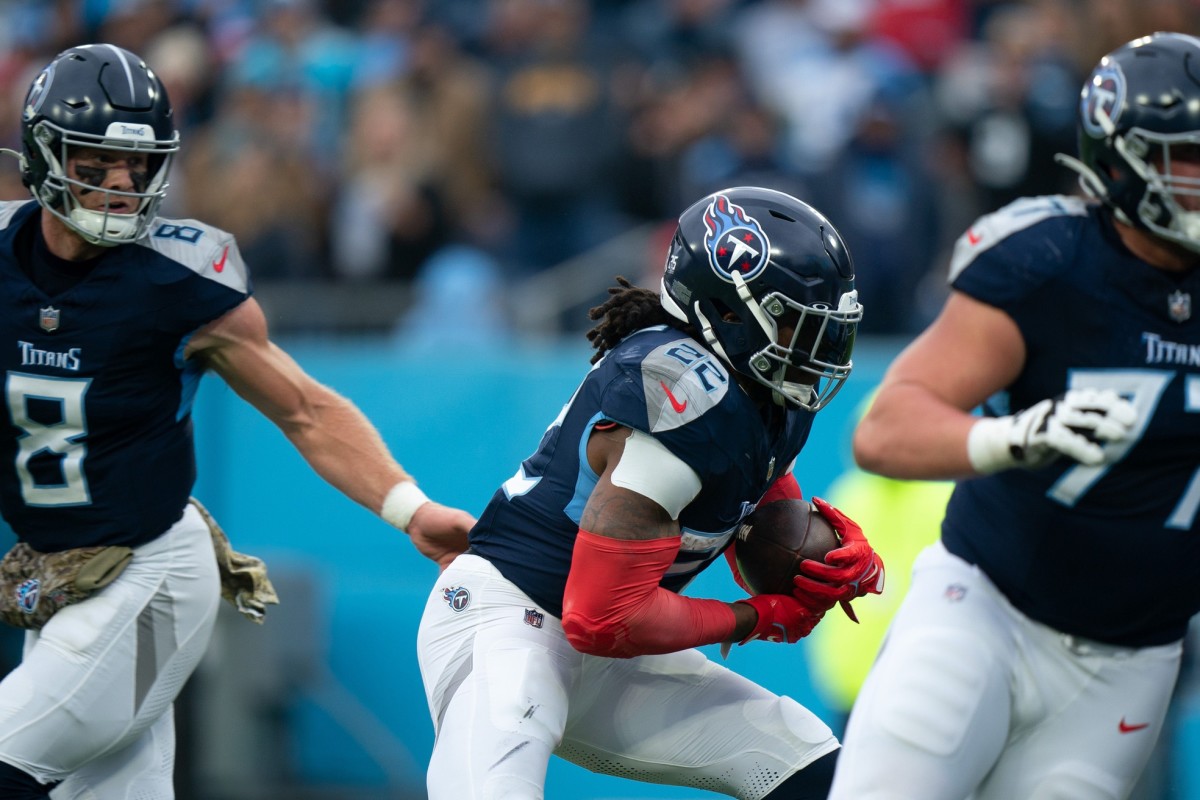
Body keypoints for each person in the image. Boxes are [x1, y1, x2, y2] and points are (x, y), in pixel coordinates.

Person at [0, 43, 474, 798]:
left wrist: (408, 508)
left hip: (150, 571)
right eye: (97, 164)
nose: (121, 187)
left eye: (138, 168)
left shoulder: (177, 280)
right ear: (43, 153)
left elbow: (306, 409)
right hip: (57, 585)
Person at [416, 185, 884, 800]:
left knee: (807, 763)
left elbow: (747, 491)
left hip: (609, 655)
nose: (818, 344)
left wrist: (817, 552)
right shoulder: (681, 388)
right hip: (508, 624)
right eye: (796, 320)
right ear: (729, 312)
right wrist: (757, 616)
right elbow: (602, 616)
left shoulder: (764, 392)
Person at [828, 31, 1200, 800]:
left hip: (1133, 660)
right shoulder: (1051, 262)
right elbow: (885, 427)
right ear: (1121, 156)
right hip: (985, 613)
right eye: (1190, 156)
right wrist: (1012, 436)